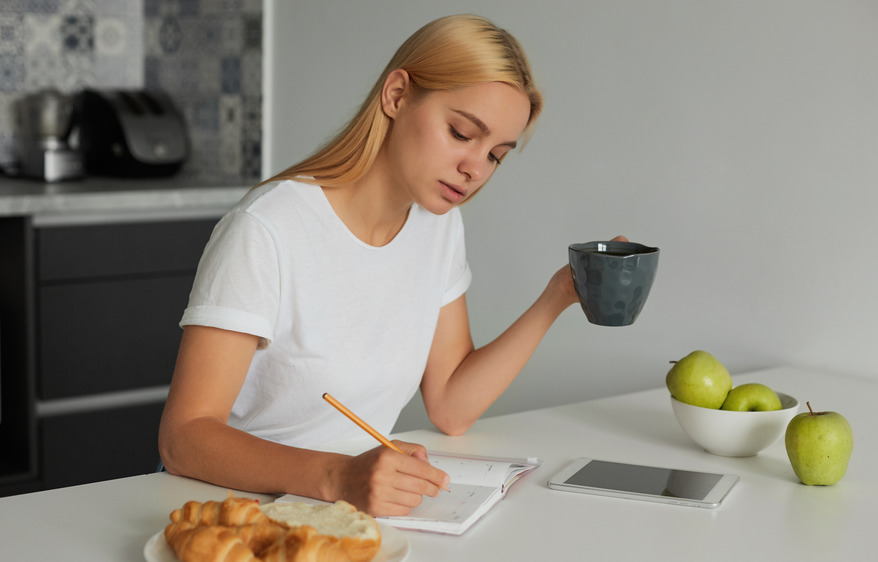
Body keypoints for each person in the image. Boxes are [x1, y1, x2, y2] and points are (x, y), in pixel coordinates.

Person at [158, 14, 620, 516]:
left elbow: (450, 405)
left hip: (343, 512)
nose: (476, 169)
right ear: (397, 95)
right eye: (462, 132)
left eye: (496, 155)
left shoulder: (438, 226)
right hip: (232, 512)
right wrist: (338, 475)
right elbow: (184, 439)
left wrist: (558, 295)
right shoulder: (267, 228)